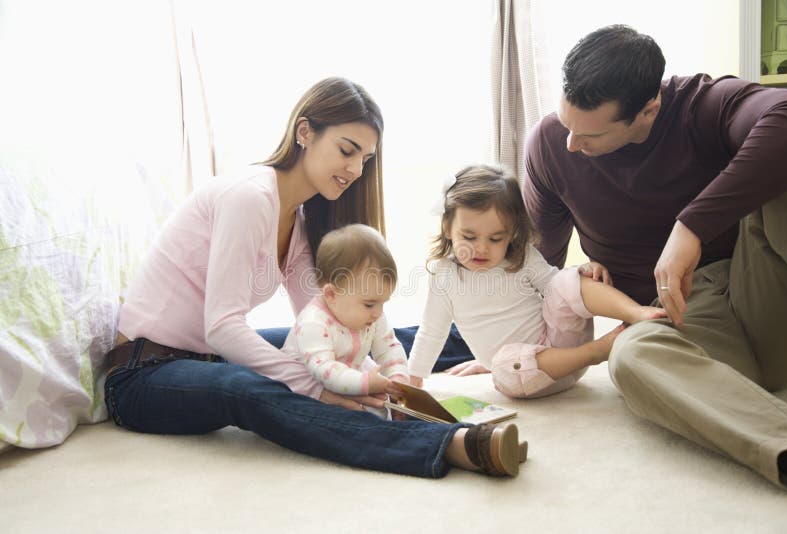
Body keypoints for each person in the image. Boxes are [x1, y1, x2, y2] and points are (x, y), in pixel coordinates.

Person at [103, 77, 524, 478]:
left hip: (205, 358)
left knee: (357, 328)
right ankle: (447, 444)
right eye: (347, 150)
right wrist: (318, 385)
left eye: (365, 158)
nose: (356, 168)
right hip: (144, 375)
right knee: (253, 386)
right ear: (304, 131)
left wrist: (367, 365)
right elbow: (221, 326)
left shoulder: (298, 219)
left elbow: (322, 318)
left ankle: (503, 341)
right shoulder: (249, 197)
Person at [523, 25, 787, 488]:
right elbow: (540, 266)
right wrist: (504, 345)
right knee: (629, 355)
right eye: (566, 122)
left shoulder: (704, 104)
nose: (571, 143)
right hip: (683, 325)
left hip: (768, 294)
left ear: (648, 109)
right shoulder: (551, 148)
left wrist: (690, 227)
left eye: (589, 133)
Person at [407, 164, 666, 398]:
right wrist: (413, 378)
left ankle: (636, 312)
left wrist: (581, 272)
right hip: (526, 376)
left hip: (562, 342)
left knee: (563, 281)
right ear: (447, 227)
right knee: (503, 366)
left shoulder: (521, 257)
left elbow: (558, 288)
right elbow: (432, 329)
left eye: (496, 238)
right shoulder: (445, 274)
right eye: (469, 237)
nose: (481, 249)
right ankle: (600, 350)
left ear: (511, 234)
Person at [282, 224, 409, 406]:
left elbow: (389, 347)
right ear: (331, 294)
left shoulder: (372, 314)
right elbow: (325, 370)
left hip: (348, 378)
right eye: (370, 304)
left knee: (382, 407)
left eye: (383, 303)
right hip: (306, 392)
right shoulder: (313, 323)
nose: (379, 312)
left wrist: (398, 378)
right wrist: (365, 383)